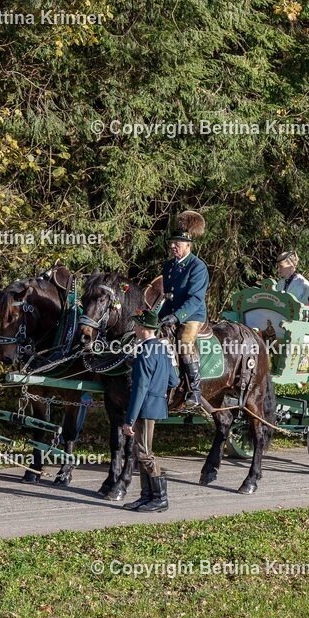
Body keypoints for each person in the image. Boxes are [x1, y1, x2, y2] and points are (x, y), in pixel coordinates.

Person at [121, 310, 179, 513]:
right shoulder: (163, 350)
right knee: (142, 451)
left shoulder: (145, 351)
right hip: (156, 405)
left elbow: (140, 388)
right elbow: (174, 380)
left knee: (145, 454)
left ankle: (160, 498)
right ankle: (146, 496)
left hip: (145, 408)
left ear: (145, 328)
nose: (135, 328)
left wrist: (129, 420)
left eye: (137, 325)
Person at [158, 210, 210, 411]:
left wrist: (177, 316)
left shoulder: (198, 267)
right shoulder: (169, 265)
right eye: (171, 243)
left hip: (192, 315)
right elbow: (166, 293)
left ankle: (195, 391)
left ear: (188, 245)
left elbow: (195, 298)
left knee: (185, 344)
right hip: (169, 313)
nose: (172, 246)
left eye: (177, 244)